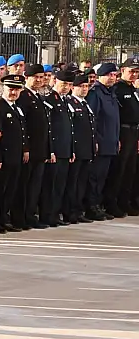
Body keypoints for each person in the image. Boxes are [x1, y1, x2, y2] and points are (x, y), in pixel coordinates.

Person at [0, 76, 27, 233]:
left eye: (17, 89)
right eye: (11, 88)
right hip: (3, 158)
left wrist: (24, 150)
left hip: (15, 157)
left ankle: (3, 219)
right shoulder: (0, 107)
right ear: (4, 88)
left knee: (10, 190)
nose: (14, 92)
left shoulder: (16, 108)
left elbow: (22, 132)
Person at [14, 69, 51, 229]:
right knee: (25, 186)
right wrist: (25, 148)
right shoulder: (23, 96)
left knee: (35, 186)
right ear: (26, 78)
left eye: (41, 77)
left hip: (39, 150)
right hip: (29, 150)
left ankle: (30, 215)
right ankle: (21, 217)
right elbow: (23, 126)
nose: (39, 80)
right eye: (35, 77)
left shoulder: (37, 96)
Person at [86, 62, 121, 219]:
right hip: (100, 143)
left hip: (110, 141)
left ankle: (98, 204)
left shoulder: (110, 92)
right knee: (95, 176)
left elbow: (114, 119)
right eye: (110, 75)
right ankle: (91, 207)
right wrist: (95, 141)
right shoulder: (96, 93)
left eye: (114, 75)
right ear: (101, 76)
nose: (113, 78)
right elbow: (93, 119)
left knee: (103, 177)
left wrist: (116, 139)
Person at [106, 58, 139, 216]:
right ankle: (112, 202)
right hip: (123, 132)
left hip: (134, 132)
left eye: (136, 72)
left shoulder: (132, 89)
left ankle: (125, 202)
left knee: (130, 170)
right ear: (123, 71)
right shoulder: (118, 89)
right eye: (131, 71)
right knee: (119, 169)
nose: (134, 74)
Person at [41, 68, 74, 227]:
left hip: (65, 149)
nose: (66, 86)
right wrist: (51, 149)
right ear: (55, 81)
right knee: (51, 186)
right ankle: (47, 215)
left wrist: (71, 149)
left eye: (69, 84)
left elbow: (69, 128)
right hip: (55, 150)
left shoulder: (65, 100)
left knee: (60, 184)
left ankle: (55, 214)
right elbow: (49, 128)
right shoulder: (50, 99)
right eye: (63, 83)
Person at [65, 74, 97, 222]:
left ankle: (78, 211)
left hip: (86, 149)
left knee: (82, 183)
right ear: (73, 88)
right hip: (77, 149)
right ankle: (70, 211)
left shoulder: (85, 104)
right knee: (73, 183)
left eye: (87, 87)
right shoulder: (70, 102)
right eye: (81, 87)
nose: (85, 89)